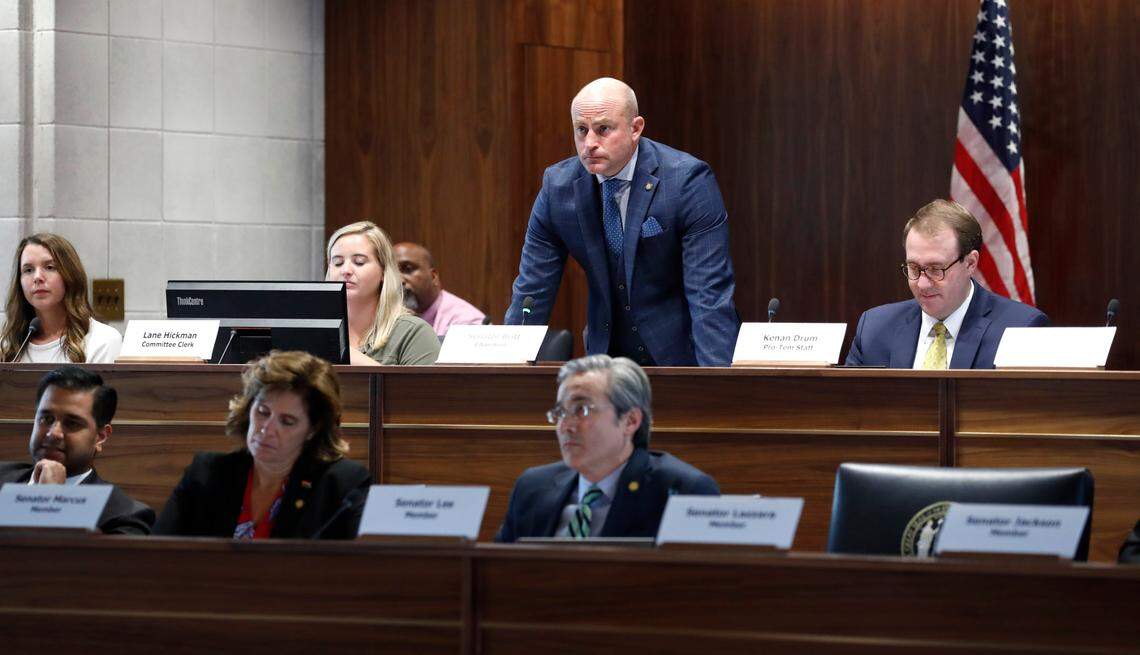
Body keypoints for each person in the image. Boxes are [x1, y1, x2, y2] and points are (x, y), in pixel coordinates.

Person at [504, 77, 738, 367]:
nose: (590, 143)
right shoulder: (558, 188)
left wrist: (719, 389)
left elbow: (709, 296)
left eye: (603, 129)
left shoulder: (686, 182)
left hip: (680, 356)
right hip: (607, 361)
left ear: (635, 128)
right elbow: (532, 292)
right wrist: (504, 373)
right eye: (581, 130)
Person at [495, 355, 719, 542]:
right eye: (560, 412)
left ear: (630, 421)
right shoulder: (533, 488)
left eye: (581, 410)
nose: (565, 426)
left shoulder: (683, 492)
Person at [155, 351, 372, 540]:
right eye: (262, 412)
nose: (267, 429)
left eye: (287, 421)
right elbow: (154, 556)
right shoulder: (206, 473)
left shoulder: (342, 485)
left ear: (313, 430)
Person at [845, 200, 1049, 369]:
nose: (923, 284)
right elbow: (848, 410)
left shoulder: (1020, 329)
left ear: (970, 263)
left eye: (936, 269)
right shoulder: (874, 328)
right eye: (914, 268)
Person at [0, 367, 154, 535]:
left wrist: (52, 501)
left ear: (100, 437)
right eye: (46, 419)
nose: (54, 433)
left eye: (72, 423)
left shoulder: (124, 515)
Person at [325, 222, 440, 365]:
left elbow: (424, 388)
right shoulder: (312, 331)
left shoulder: (413, 333)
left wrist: (351, 358)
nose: (345, 270)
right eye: (337, 263)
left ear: (384, 272)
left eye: (359, 262)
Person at [1, 233, 122, 363]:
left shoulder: (102, 341)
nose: (37, 277)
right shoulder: (7, 346)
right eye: (28, 270)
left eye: (49, 267)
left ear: (70, 275)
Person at [394, 241, 486, 337]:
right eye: (392, 272)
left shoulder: (465, 322)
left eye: (408, 269)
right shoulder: (386, 317)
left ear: (433, 276)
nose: (398, 279)